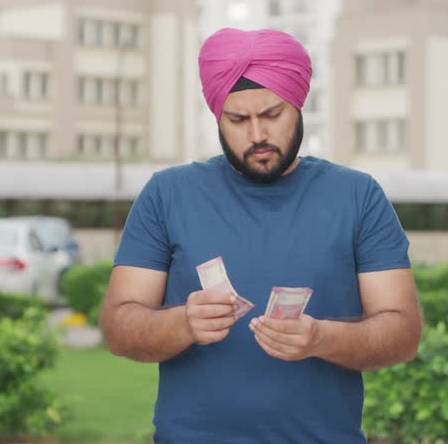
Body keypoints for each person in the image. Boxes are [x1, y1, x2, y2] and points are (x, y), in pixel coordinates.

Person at [101, 28, 422, 444]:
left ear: (299, 108)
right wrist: (183, 323)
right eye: (238, 120)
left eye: (272, 115)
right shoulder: (167, 194)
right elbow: (119, 328)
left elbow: (402, 334)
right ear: (218, 117)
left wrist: (321, 338)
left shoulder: (358, 196)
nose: (256, 135)